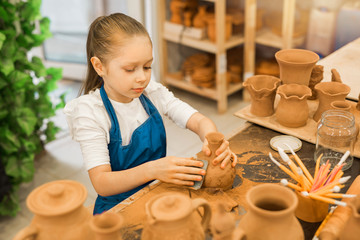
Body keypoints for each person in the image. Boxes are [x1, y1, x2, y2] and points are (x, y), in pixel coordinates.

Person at [64, 13, 237, 215]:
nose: (142, 78)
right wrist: (153, 170)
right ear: (99, 66)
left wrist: (211, 140)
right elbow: (102, 183)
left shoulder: (152, 94)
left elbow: (198, 121)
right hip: (118, 209)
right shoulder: (91, 113)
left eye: (147, 67)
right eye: (130, 69)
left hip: (156, 192)